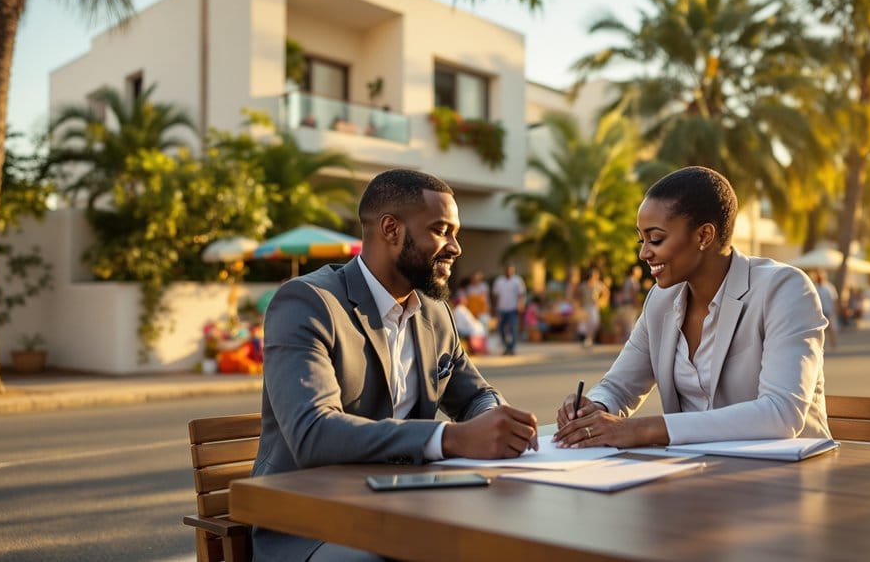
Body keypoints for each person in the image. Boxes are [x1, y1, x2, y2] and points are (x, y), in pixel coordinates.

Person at [252, 169, 538, 562]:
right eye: (441, 230)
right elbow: (313, 432)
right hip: (312, 525)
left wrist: (493, 420)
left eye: (456, 233)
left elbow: (476, 395)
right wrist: (450, 439)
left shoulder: (434, 314)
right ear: (391, 229)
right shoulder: (308, 303)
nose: (455, 247)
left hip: (408, 510)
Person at [552, 166, 830, 448]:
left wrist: (643, 429)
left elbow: (781, 415)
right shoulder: (661, 301)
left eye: (656, 239)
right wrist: (595, 408)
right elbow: (618, 387)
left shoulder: (784, 289)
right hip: (696, 475)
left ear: (704, 236)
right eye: (642, 239)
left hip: (787, 477)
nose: (644, 253)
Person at [492, 263, 526, 355]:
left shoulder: (517, 281)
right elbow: (495, 295)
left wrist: (521, 305)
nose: (509, 272)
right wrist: (495, 307)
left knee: (513, 328)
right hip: (502, 308)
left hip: (513, 308)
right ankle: (506, 346)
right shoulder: (499, 281)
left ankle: (511, 348)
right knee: (501, 328)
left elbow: (521, 294)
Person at [577, 267, 609, 348]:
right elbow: (578, 293)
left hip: (594, 306)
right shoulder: (584, 285)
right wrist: (580, 302)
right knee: (586, 323)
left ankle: (590, 339)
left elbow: (606, 292)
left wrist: (602, 301)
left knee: (594, 322)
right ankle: (588, 339)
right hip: (586, 306)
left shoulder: (598, 284)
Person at [615, 265, 644, 343]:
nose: (640, 273)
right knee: (631, 325)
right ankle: (631, 344)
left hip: (626, 305)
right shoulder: (632, 281)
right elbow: (633, 294)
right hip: (630, 305)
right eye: (639, 271)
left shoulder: (628, 280)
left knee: (628, 324)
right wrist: (637, 304)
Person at [811, 269, 839, 351]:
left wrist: (835, 309)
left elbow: (834, 299)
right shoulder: (814, 287)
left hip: (829, 310)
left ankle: (833, 344)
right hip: (819, 312)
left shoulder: (829, 287)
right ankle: (819, 346)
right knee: (819, 330)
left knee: (832, 329)